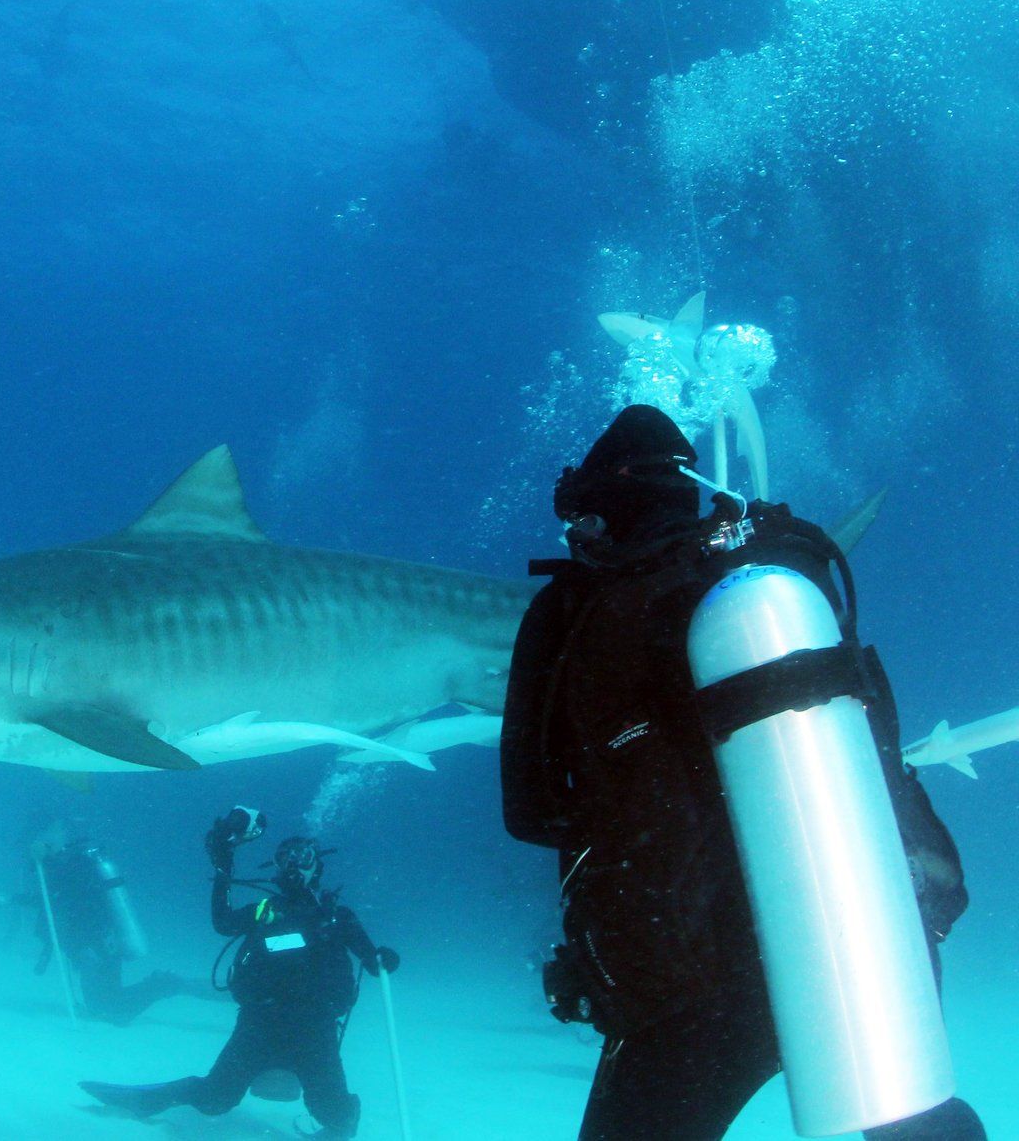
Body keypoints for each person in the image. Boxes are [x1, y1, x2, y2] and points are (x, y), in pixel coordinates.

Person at [500, 404, 983, 1141]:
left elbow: (529, 811)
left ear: (596, 507)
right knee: (911, 1114)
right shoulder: (781, 574)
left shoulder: (571, 608)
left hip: (691, 976)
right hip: (863, 928)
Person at [80, 809, 400, 1140]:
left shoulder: (337, 918)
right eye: (285, 858)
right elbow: (223, 923)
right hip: (260, 1022)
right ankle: (144, 1100)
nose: (293, 865)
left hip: (315, 1028)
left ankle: (347, 1113)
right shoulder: (265, 913)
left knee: (334, 1115)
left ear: (316, 865)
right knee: (214, 1100)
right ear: (276, 866)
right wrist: (223, 868)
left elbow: (373, 963)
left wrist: (384, 959)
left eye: (302, 857)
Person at [21, 820, 191, 1026]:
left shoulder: (73, 863)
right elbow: (55, 898)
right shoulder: (68, 863)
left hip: (97, 944)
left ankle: (166, 984)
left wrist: (87, 946)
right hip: (97, 942)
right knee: (103, 1004)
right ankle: (160, 986)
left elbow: (74, 900)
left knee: (108, 1007)